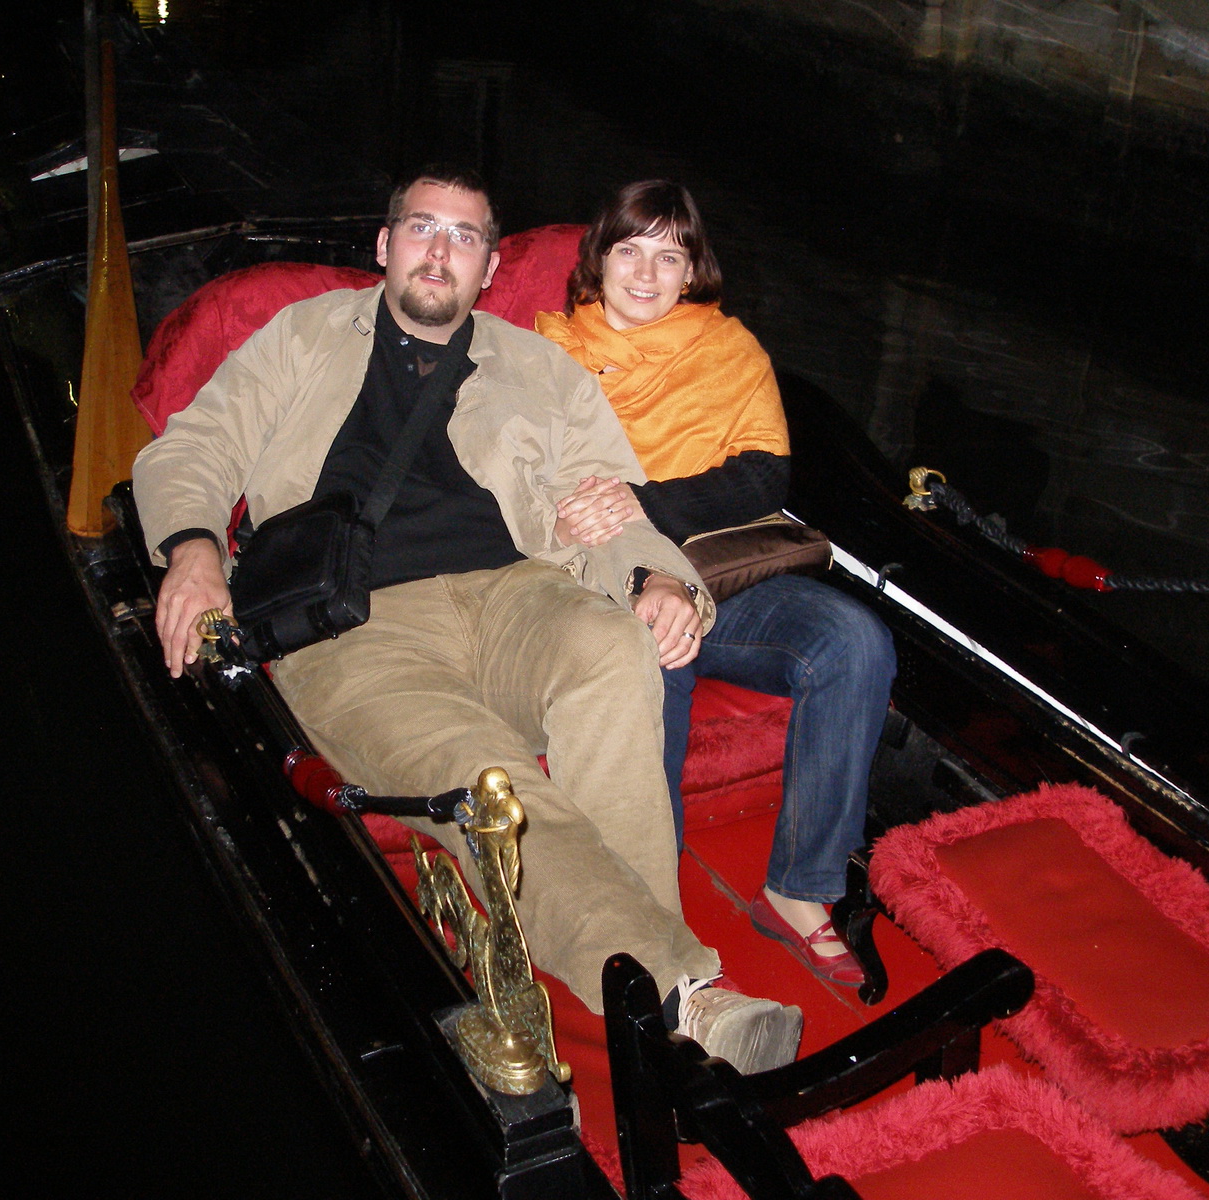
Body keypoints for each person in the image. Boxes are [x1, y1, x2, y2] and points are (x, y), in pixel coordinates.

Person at [133, 166, 802, 1072]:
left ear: (489, 268)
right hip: (355, 625)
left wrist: (655, 579)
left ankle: (649, 980)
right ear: (385, 245)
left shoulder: (538, 366)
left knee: (613, 647)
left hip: (515, 592)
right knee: (484, 775)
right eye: (422, 228)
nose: (439, 251)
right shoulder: (302, 336)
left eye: (464, 236)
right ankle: (683, 994)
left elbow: (606, 503)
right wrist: (194, 549)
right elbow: (197, 446)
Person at [536, 180, 896, 988]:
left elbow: (764, 474)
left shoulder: (728, 350)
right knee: (658, 650)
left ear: (693, 269)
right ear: (598, 259)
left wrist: (646, 500)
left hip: (719, 571)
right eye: (630, 251)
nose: (646, 273)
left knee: (854, 641)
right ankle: (643, 897)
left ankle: (800, 887)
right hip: (600, 576)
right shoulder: (547, 354)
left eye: (670, 256)